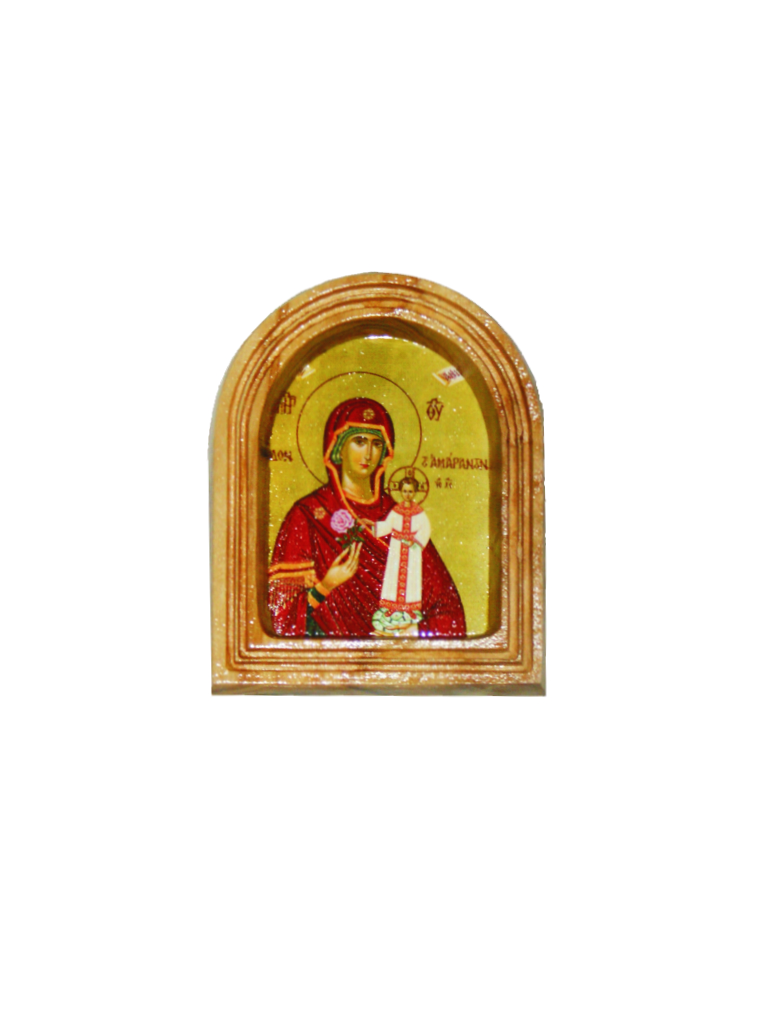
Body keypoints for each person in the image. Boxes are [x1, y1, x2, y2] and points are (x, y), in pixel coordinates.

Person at [268, 397, 465, 638]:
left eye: (376, 444)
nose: (369, 454)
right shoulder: (309, 514)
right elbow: (281, 618)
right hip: (329, 657)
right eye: (359, 442)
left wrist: (412, 632)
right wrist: (326, 586)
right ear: (338, 447)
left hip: (394, 653)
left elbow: (448, 610)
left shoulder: (402, 516)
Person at [369, 477, 430, 637]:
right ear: (400, 491)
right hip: (397, 548)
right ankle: (392, 607)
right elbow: (388, 525)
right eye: (405, 491)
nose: (407, 494)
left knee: (411, 579)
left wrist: (415, 541)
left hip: (412, 551)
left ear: (415, 492)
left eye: (410, 491)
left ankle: (409, 609)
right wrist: (372, 526)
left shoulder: (419, 513)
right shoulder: (396, 510)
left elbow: (425, 529)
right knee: (393, 576)